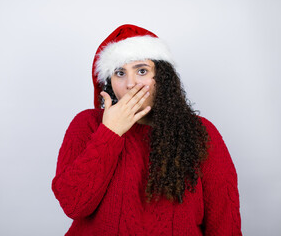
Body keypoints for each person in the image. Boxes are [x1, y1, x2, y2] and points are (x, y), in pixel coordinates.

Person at [51, 24, 242, 236]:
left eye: (142, 71)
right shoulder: (87, 124)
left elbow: (225, 223)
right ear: (109, 83)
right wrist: (110, 132)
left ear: (162, 77)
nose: (131, 83)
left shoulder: (200, 132)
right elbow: (73, 205)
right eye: (120, 73)